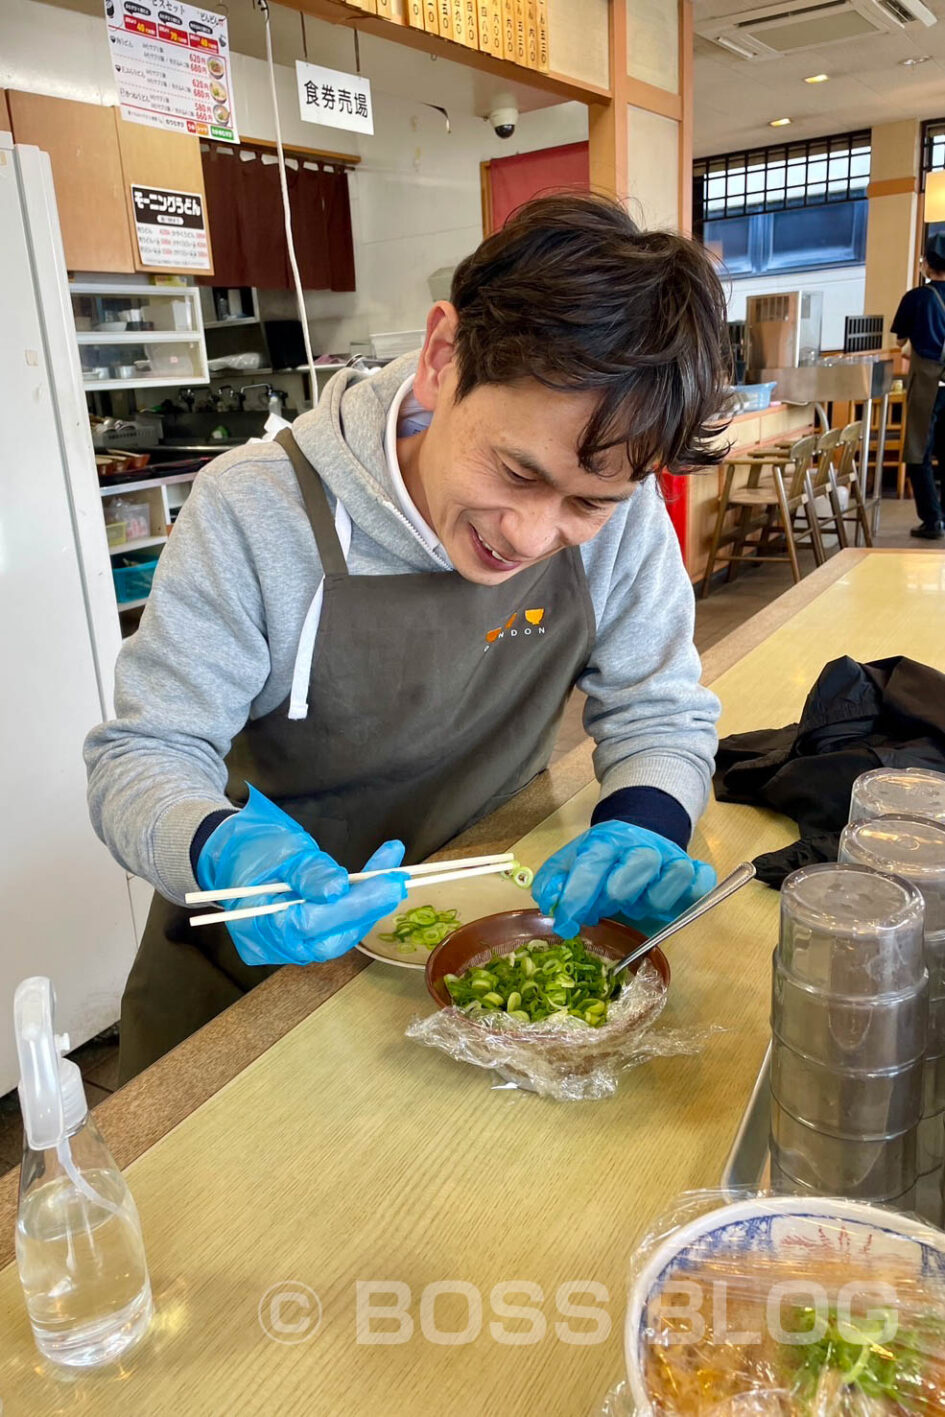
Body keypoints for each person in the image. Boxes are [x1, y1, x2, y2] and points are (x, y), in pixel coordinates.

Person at [84, 193, 730, 1083]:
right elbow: (142, 757)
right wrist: (221, 850)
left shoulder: (619, 513)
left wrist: (646, 821)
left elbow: (659, 710)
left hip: (476, 939)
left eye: (585, 503)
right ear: (440, 358)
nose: (533, 534)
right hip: (250, 973)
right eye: (515, 471)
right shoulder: (256, 506)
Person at [891, 232, 945, 540]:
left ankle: (932, 519)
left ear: (927, 264)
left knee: (917, 449)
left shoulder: (917, 297)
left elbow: (900, 341)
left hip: (928, 379)